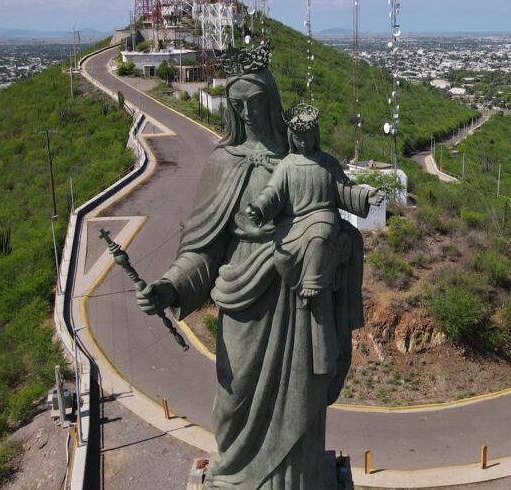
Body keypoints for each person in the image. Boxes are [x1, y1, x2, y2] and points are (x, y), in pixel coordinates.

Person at [134, 43, 371, 489]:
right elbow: (202, 249)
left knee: (302, 403)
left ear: (273, 102)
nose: (247, 114)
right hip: (244, 305)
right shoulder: (223, 165)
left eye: (255, 103)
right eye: (237, 105)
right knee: (234, 399)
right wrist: (169, 287)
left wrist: (336, 244)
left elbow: (338, 220)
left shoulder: (306, 161)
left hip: (301, 302)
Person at [246, 103, 383, 311]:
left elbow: (344, 189)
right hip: (294, 224)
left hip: (323, 218)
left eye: (308, 137)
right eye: (298, 137)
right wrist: (259, 208)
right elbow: (272, 192)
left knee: (320, 236)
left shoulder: (328, 163)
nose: (303, 142)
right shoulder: (287, 165)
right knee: (281, 256)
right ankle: (325, 261)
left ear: (316, 136)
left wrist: (365, 196)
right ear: (291, 137)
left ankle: (312, 281)